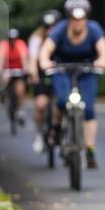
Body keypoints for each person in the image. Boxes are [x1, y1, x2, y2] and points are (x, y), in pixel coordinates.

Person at [38, 0, 105, 169]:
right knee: (62, 100)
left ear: (86, 18)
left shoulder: (94, 29)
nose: (78, 23)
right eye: (74, 19)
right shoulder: (59, 30)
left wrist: (102, 60)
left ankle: (90, 150)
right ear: (69, 18)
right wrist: (45, 62)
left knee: (89, 109)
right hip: (62, 69)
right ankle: (56, 127)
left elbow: (104, 51)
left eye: (82, 18)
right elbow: (46, 50)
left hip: (86, 71)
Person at [28, 10, 62, 153]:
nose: (50, 30)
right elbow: (32, 59)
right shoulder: (36, 39)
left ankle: (58, 129)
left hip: (60, 73)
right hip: (42, 74)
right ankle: (39, 134)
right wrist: (34, 74)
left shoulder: (63, 36)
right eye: (48, 27)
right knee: (41, 104)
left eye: (53, 26)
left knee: (59, 105)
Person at [0, 28, 29, 126]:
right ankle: (3, 94)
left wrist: (26, 69)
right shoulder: (3, 45)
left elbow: (24, 58)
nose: (12, 41)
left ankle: (21, 110)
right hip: (8, 70)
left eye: (14, 39)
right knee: (4, 79)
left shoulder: (20, 44)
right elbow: (0, 59)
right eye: (10, 39)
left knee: (20, 90)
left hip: (19, 70)